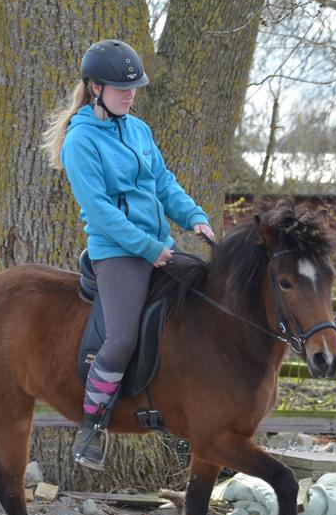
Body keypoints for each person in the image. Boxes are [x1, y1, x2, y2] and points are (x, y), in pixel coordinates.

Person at [41, 38, 215, 470]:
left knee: (202, 309)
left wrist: (193, 216)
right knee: (121, 339)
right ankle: (91, 427)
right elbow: (99, 211)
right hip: (118, 252)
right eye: (123, 87)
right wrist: (147, 247)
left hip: (159, 246)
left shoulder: (138, 129)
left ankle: (186, 418)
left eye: (135, 86)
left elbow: (163, 184)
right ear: (96, 87)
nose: (131, 94)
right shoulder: (80, 141)